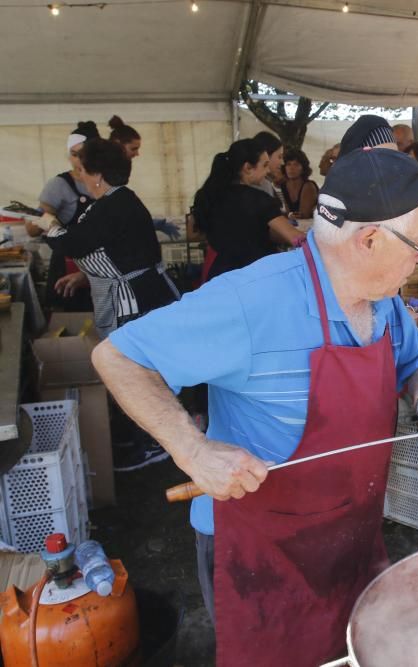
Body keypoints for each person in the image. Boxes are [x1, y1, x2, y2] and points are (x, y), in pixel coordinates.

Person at [91, 147, 418, 667]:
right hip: (261, 555)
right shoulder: (253, 300)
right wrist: (193, 450)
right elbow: (117, 356)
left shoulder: (383, 298)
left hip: (350, 540)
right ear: (368, 240)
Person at [40, 138, 180, 471]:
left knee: (133, 373)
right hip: (136, 292)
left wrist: (46, 222)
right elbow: (115, 251)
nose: (80, 174)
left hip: (133, 300)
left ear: (97, 174)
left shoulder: (111, 205)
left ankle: (149, 443)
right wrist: (84, 277)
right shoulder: (116, 201)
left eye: (82, 169)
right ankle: (142, 435)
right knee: (138, 370)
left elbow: (73, 243)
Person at [193, 138, 304, 280]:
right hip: (253, 273)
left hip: (218, 272)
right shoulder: (258, 199)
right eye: (264, 165)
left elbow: (240, 231)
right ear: (248, 168)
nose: (268, 170)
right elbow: (294, 237)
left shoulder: (208, 195)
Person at [27, 121, 100, 311]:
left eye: (82, 155)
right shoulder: (59, 185)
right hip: (68, 265)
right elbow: (32, 228)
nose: (77, 161)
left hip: (101, 265)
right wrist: (47, 220)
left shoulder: (105, 183)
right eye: (73, 155)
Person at [280, 148, 319, 224]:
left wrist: (289, 216)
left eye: (296, 164)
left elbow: (304, 216)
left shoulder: (308, 186)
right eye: (288, 164)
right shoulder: (283, 185)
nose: (291, 168)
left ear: (303, 168)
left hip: (309, 226)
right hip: (291, 225)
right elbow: (287, 213)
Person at [252, 131, 286, 210]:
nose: (282, 162)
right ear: (266, 155)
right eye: (279, 157)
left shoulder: (267, 183)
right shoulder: (262, 184)